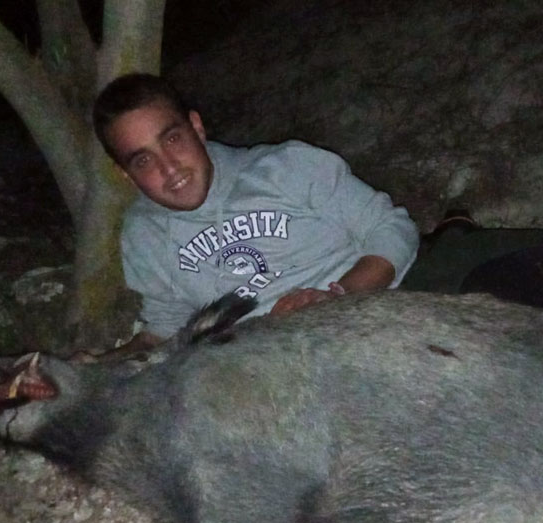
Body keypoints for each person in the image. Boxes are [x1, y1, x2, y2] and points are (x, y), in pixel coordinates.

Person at [94, 73, 419, 340]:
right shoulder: (143, 234)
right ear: (125, 173)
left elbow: (392, 229)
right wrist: (89, 371)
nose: (169, 168)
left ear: (196, 127)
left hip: (361, 319)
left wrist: (336, 297)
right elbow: (166, 325)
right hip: (259, 366)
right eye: (143, 159)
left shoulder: (288, 167)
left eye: (172, 139)